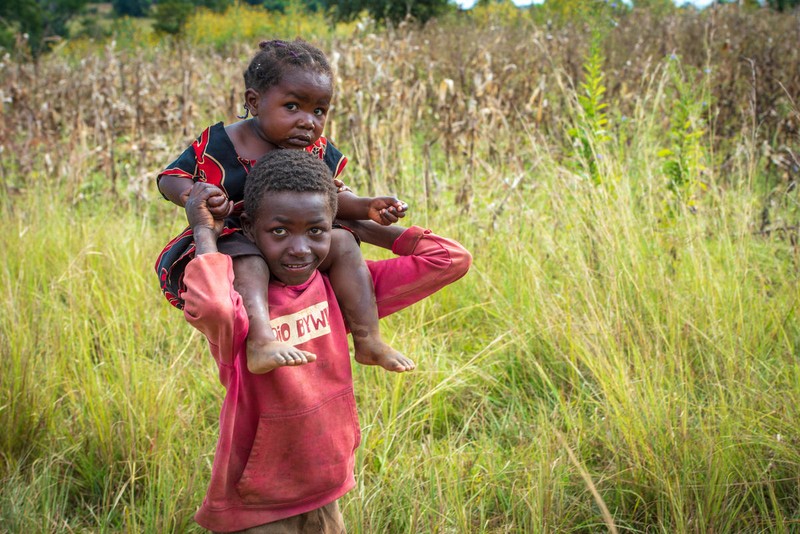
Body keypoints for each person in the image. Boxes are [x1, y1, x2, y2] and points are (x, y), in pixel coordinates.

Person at [181, 150, 472, 532]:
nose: (300, 249)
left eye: (315, 231)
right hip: (257, 496)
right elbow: (212, 306)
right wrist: (206, 234)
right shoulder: (238, 310)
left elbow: (449, 258)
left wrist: (356, 221)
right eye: (280, 231)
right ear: (251, 227)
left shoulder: (339, 288)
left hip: (326, 479)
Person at [155, 38, 414, 375]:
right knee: (248, 258)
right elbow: (170, 177)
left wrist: (367, 206)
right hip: (235, 233)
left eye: (319, 110)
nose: (308, 121)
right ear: (255, 101)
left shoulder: (317, 149)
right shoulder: (221, 143)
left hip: (299, 237)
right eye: (292, 106)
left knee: (346, 243)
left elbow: (333, 200)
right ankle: (260, 341)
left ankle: (368, 340)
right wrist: (195, 195)